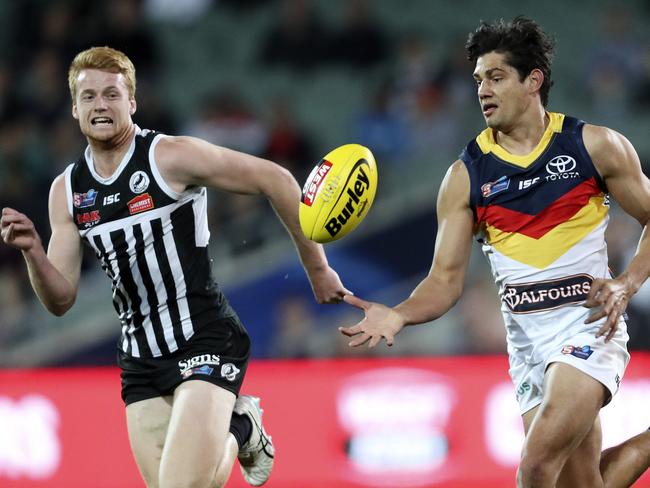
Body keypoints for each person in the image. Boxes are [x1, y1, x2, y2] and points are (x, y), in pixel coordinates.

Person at [0, 46, 350, 488]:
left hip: (202, 338)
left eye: (111, 94)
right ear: (74, 108)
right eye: (89, 97)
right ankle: (241, 425)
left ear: (132, 102)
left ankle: (239, 425)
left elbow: (275, 179)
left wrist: (317, 269)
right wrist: (33, 251)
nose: (100, 105)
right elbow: (61, 300)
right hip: (141, 360)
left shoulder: (170, 157)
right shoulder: (67, 191)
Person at [339, 17, 650, 488]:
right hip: (526, 341)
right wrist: (399, 314)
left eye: (497, 77)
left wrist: (627, 283)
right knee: (583, 484)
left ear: (534, 81)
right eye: (478, 80)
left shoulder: (594, 146)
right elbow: (444, 281)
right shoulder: (465, 177)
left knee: (536, 465)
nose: (483, 90)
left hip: (588, 324)